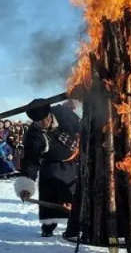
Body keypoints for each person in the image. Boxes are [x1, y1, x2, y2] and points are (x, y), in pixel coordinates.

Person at [14, 99, 81, 237]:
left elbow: (82, 127)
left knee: (74, 196)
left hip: (75, 160)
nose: (42, 124)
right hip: (51, 165)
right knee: (50, 195)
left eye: (44, 119)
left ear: (49, 114)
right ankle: (48, 227)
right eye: (38, 122)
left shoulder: (63, 114)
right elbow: (30, 162)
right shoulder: (33, 135)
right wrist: (25, 186)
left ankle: (74, 228)